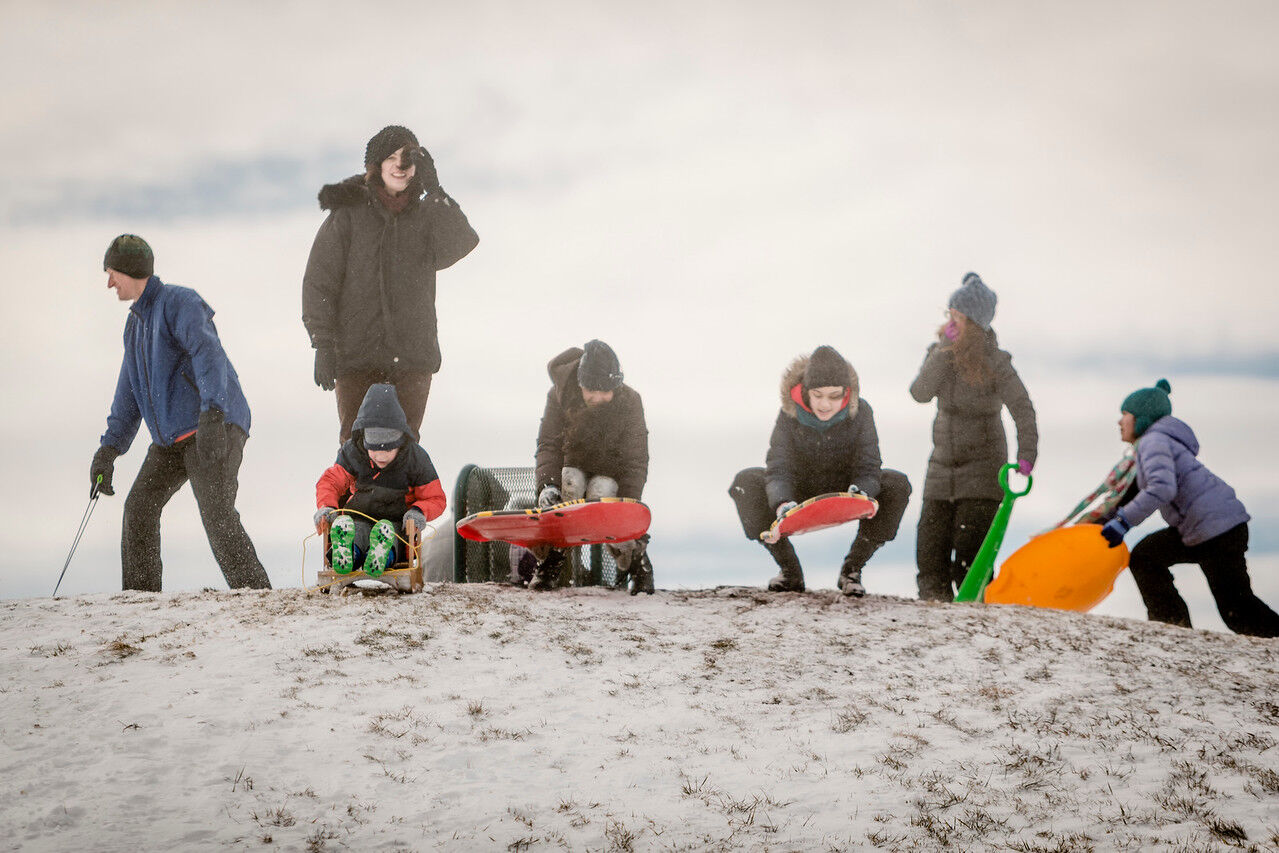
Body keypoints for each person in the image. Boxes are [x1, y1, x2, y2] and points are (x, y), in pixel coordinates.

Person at [90, 235, 271, 591]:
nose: (109, 282)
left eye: (112, 273)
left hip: (213, 425)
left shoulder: (180, 302)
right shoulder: (135, 326)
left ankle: (256, 598)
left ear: (130, 271)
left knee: (217, 514)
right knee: (139, 508)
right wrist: (108, 450)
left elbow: (209, 355)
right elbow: (128, 396)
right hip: (171, 440)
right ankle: (140, 600)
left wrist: (213, 415)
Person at [303, 124, 479, 443]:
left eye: (408, 158)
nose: (400, 165)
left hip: (413, 356)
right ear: (376, 165)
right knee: (356, 447)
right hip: (356, 356)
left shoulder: (428, 215)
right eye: (392, 157)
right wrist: (323, 343)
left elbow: (461, 243)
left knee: (406, 447)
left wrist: (436, 191)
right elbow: (319, 282)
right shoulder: (347, 215)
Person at [1100, 380, 1278, 636]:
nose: (1119, 422)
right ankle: (1172, 625)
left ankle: (1173, 623)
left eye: (1124, 415)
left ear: (1140, 419)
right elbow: (1135, 491)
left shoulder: (1153, 442)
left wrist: (1123, 521)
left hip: (1218, 530)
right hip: (1203, 529)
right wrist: (1106, 520)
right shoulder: (1153, 444)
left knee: (1238, 611)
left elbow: (1161, 488)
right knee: (1146, 557)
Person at [729, 345, 912, 595]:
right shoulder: (788, 414)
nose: (825, 404)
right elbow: (778, 467)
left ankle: (852, 570)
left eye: (834, 395)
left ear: (846, 393)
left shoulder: (862, 412)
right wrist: (782, 503)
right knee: (745, 482)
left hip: (847, 490)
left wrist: (861, 492)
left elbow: (869, 466)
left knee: (896, 484)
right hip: (799, 492)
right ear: (805, 392)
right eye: (818, 395)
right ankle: (790, 572)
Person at [909, 272, 1037, 601]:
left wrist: (1027, 455)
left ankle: (974, 619)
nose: (951, 322)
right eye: (950, 314)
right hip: (941, 466)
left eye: (959, 317)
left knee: (969, 559)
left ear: (976, 323)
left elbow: (1022, 408)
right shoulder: (939, 353)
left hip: (983, 469)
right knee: (930, 554)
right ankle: (933, 616)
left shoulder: (997, 362)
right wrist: (942, 351)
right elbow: (920, 393)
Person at [531, 340, 652, 594]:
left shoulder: (630, 402)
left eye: (605, 390)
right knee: (569, 482)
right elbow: (549, 445)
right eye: (590, 390)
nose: (597, 397)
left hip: (611, 476)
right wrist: (547, 485)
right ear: (579, 384)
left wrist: (628, 507)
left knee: (601, 489)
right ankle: (553, 559)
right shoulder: (560, 395)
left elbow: (635, 458)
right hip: (573, 468)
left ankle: (634, 561)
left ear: (616, 387)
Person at [314, 383, 447, 576]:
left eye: (388, 449)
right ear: (364, 441)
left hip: (395, 521)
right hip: (358, 516)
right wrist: (326, 506)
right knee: (356, 530)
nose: (381, 456)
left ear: (400, 442)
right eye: (375, 449)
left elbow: (435, 498)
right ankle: (347, 552)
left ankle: (381, 556)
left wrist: (419, 511)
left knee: (389, 533)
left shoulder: (415, 458)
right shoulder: (353, 452)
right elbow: (330, 481)